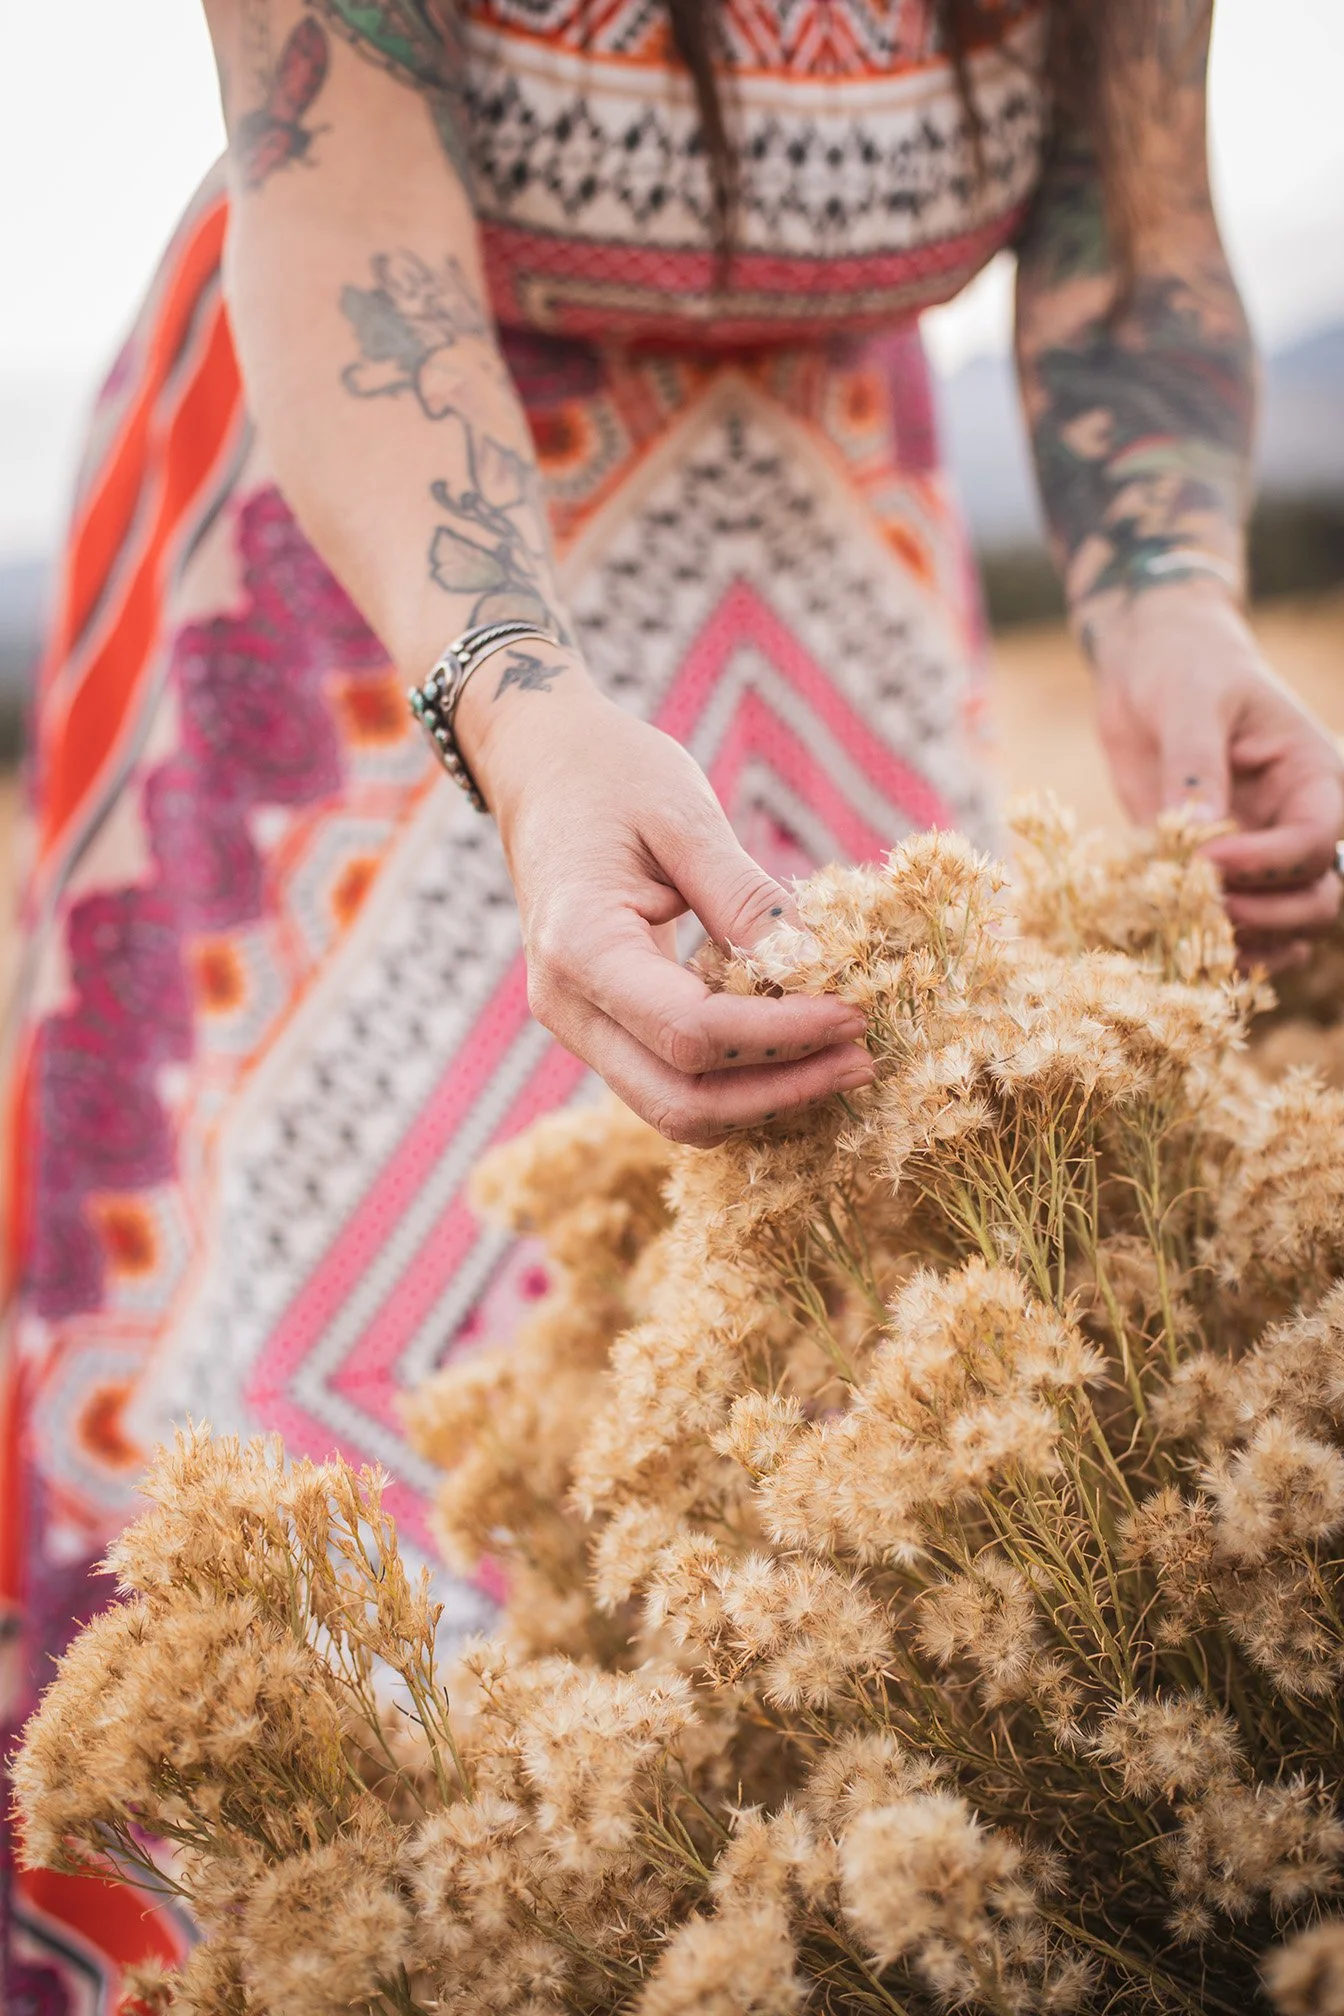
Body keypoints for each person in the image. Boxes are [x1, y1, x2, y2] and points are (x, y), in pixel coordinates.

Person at [4, 0, 1342, 1998]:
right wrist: (525, 734)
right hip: (377, 598)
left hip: (824, 556)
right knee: (305, 1515)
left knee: (849, 1476)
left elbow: (1129, 220)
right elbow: (341, 196)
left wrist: (1165, 602)